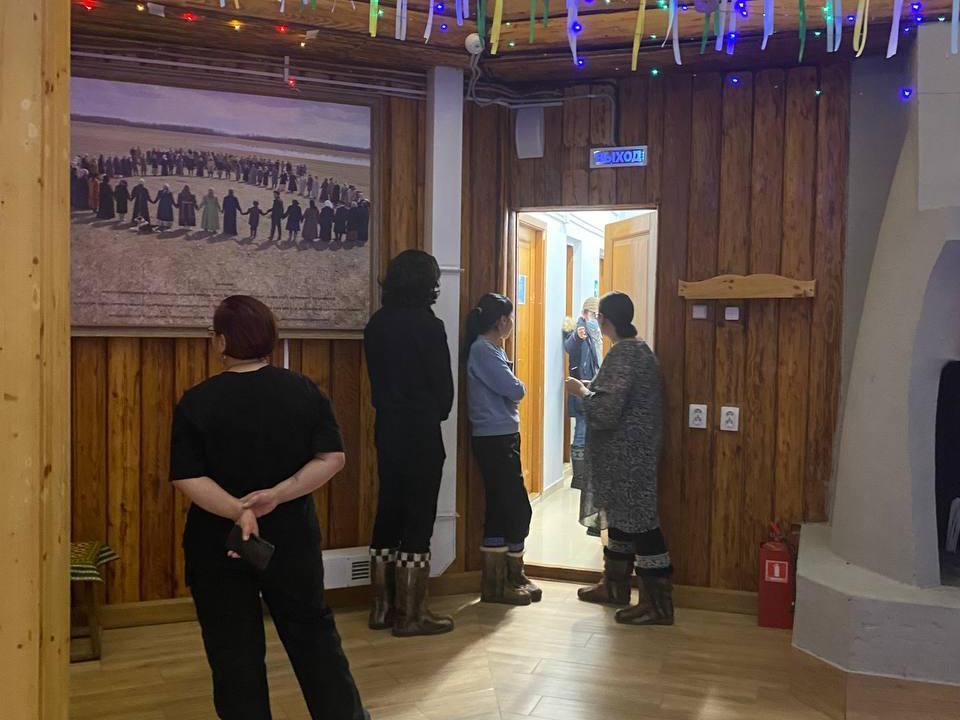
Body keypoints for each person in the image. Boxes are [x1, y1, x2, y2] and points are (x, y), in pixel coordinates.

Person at [170, 296, 369, 720]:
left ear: (221, 342)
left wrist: (236, 510)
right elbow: (332, 458)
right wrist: (276, 495)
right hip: (291, 535)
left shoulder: (197, 401)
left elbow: (186, 476)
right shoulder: (304, 391)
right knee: (314, 636)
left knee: (232, 649)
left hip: (218, 541)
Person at [566, 291, 673, 625]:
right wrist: (592, 389)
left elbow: (605, 411)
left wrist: (580, 391)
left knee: (643, 526)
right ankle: (614, 588)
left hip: (628, 458)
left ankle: (657, 605)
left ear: (604, 320)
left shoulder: (623, 353)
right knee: (622, 522)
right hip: (632, 455)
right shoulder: (638, 350)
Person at [363, 251, 455, 637]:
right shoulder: (429, 326)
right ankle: (412, 614)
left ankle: (382, 607)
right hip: (421, 430)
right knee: (419, 515)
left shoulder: (377, 323)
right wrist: (432, 410)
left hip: (387, 428)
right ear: (426, 283)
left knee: (389, 509)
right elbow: (445, 393)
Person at [464, 293, 540, 606]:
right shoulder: (483, 349)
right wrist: (518, 387)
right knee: (516, 506)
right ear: (501, 321)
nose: (512, 324)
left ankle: (506, 578)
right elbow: (515, 390)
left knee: (502, 506)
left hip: (500, 434)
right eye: (510, 318)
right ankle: (502, 580)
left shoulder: (491, 349)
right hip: (494, 436)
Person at [563, 296, 603, 537]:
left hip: (588, 386)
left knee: (583, 430)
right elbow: (569, 346)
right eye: (593, 314)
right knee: (581, 431)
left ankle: (580, 475)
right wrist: (577, 337)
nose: (595, 319)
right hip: (581, 387)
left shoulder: (594, 332)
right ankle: (578, 477)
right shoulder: (579, 327)